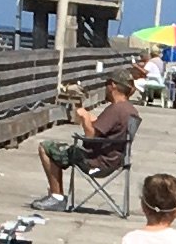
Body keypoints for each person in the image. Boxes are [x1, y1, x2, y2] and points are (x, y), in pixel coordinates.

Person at [40, 68, 141, 202]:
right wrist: (88, 116)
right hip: (114, 160)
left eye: (106, 84)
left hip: (96, 162)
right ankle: (57, 195)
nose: (105, 88)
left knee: (46, 147)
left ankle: (56, 196)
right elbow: (104, 126)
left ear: (113, 85)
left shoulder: (116, 109)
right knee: (62, 149)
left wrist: (84, 116)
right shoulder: (130, 109)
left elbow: (90, 135)